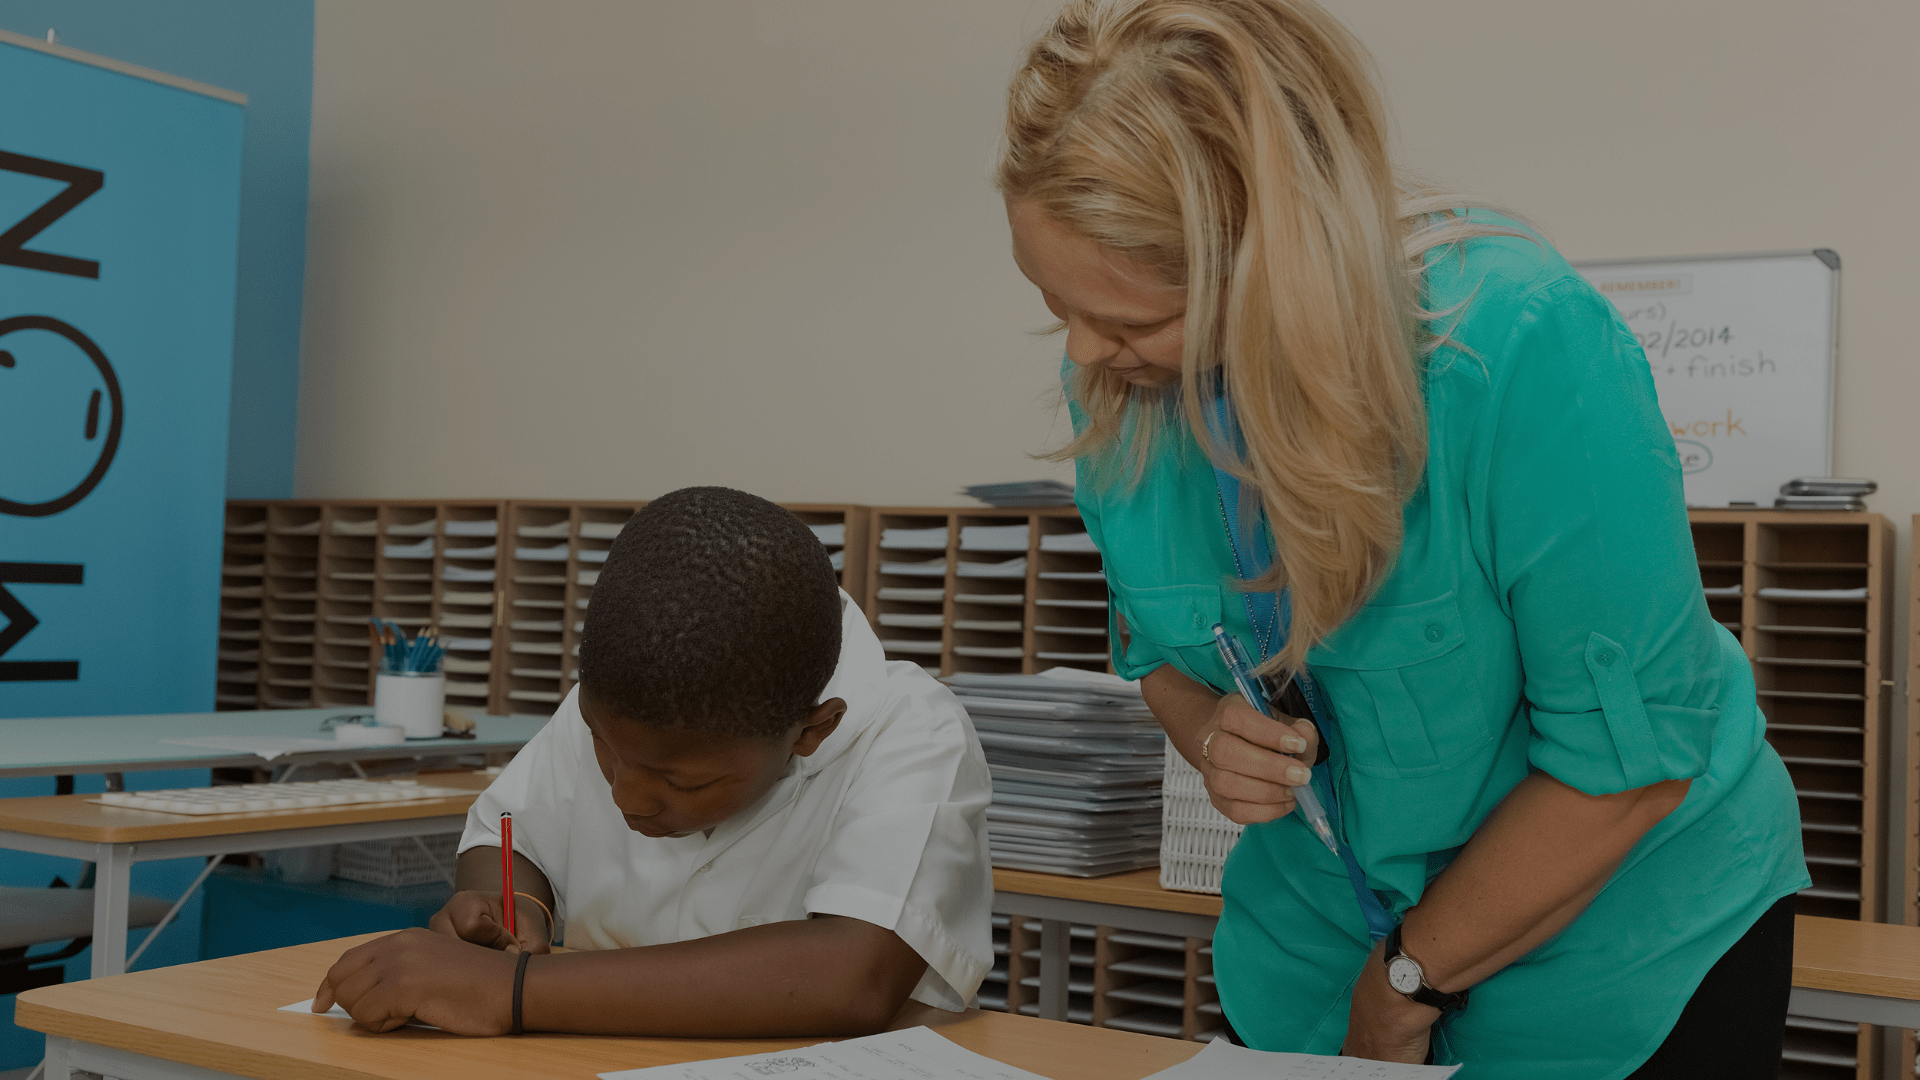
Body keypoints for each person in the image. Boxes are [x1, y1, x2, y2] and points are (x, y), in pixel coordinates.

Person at [995, 2, 1806, 1077]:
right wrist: (1212, 736)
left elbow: (1630, 762)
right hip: (1311, 956)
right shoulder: (1122, 385)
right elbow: (1159, 656)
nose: (1089, 351)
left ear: (1279, 264)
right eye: (1058, 304)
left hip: (1612, 954)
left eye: (1136, 320)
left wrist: (1405, 981)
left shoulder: (1518, 349)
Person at [313, 487, 994, 1036]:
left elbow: (852, 977)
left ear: (811, 732)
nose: (628, 798)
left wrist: (509, 990)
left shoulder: (912, 733)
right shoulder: (623, 706)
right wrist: (513, 907)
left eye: (682, 780)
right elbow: (506, 835)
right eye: (603, 752)